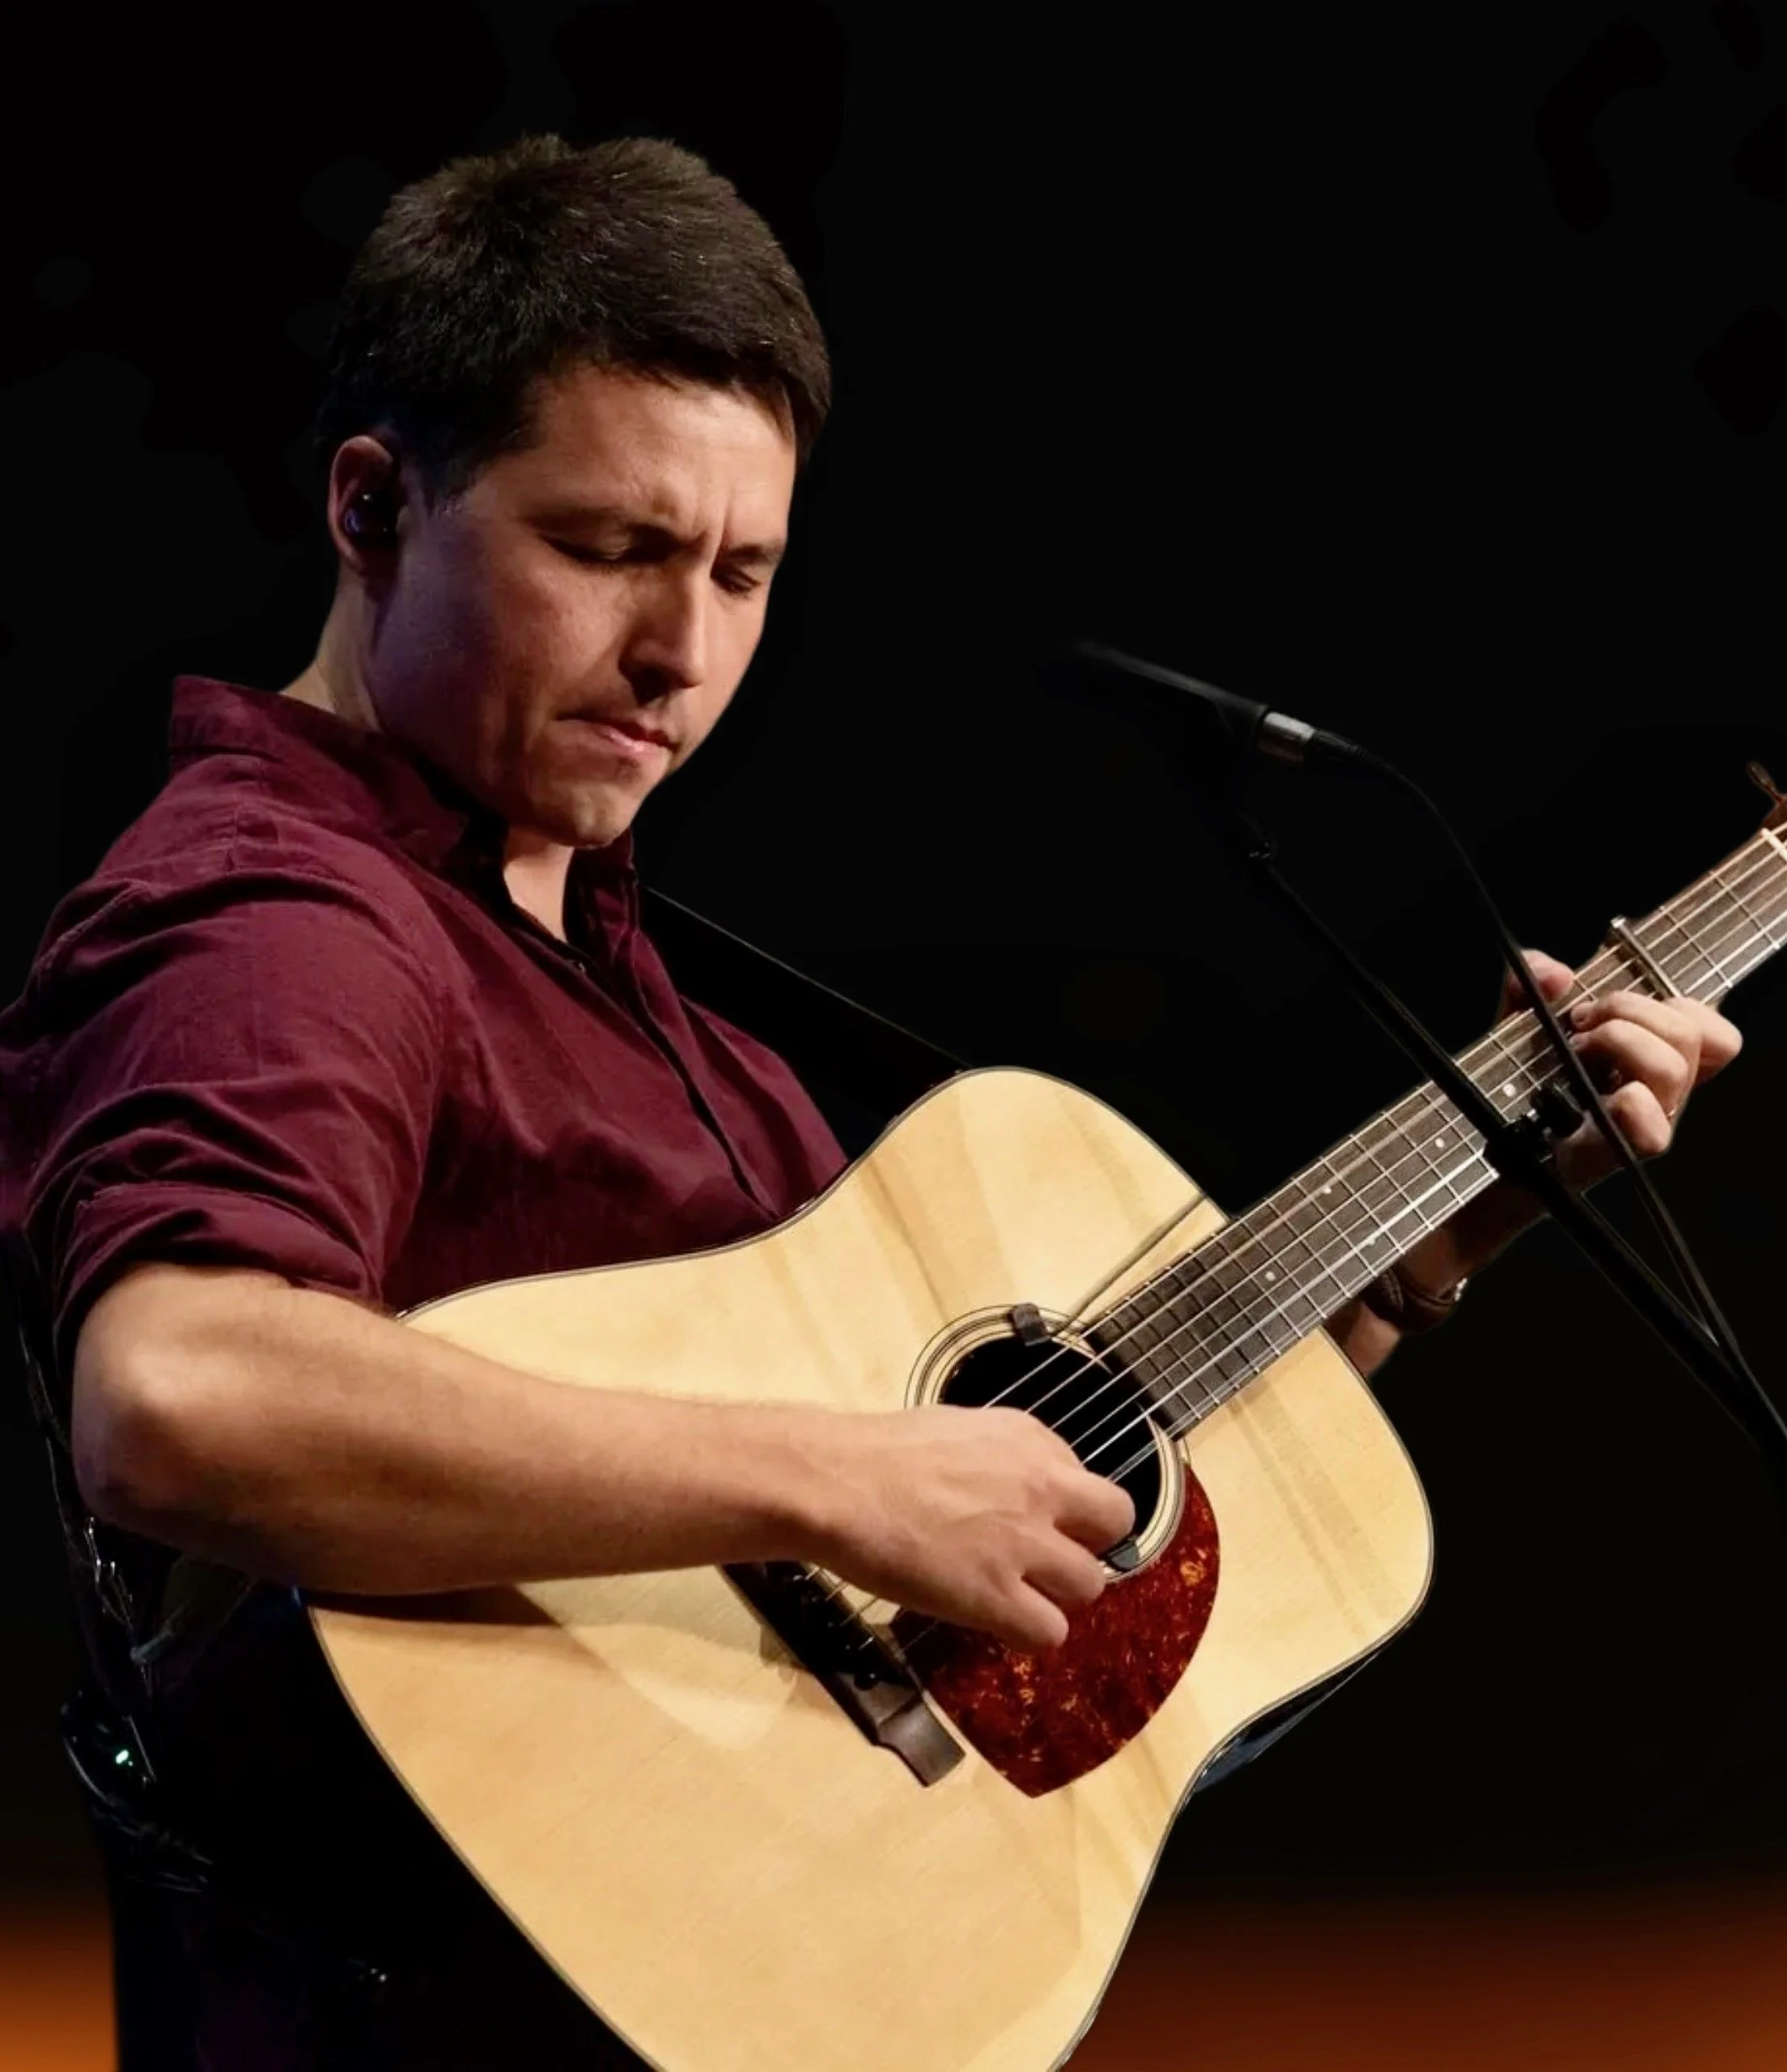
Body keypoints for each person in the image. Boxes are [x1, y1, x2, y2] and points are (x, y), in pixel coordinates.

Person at [0, 134, 1742, 2070]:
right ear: (371, 505)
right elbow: (183, 1389)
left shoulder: (629, 977)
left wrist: (1456, 1220)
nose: (681, 652)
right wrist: (840, 1475)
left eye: (742, 573)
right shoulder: (290, 919)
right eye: (610, 548)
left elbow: (1022, 1513)